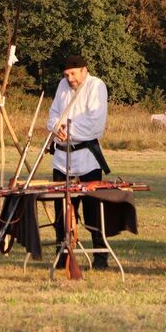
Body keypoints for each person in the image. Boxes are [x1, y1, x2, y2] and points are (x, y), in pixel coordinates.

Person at [46, 54, 111, 270]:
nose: (70, 78)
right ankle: (63, 257)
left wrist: (67, 130)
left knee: (93, 211)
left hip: (87, 159)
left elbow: (95, 125)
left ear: (84, 70)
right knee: (62, 213)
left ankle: (100, 258)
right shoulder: (62, 86)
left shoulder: (96, 86)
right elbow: (53, 115)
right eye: (66, 74)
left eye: (73, 73)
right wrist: (57, 128)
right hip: (61, 159)